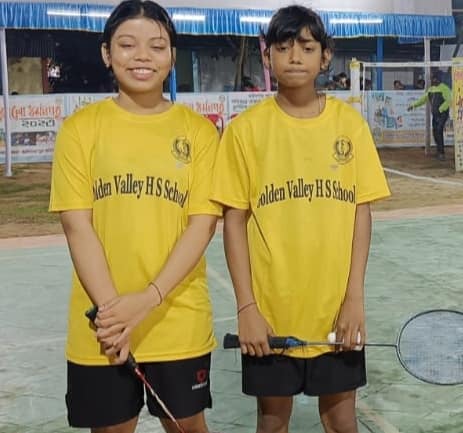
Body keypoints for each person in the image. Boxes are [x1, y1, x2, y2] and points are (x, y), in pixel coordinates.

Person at [210, 5, 390, 433]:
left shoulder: (349, 125)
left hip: (336, 314)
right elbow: (233, 222)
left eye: (307, 48)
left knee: (341, 420)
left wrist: (354, 299)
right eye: (283, 47)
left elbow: (360, 213)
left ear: (325, 57)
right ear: (267, 55)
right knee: (273, 422)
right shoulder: (245, 131)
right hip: (271, 315)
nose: (295, 57)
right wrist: (247, 308)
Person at [49, 1, 221, 432]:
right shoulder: (80, 129)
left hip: (177, 319)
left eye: (157, 47)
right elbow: (77, 225)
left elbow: (202, 225)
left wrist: (147, 300)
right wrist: (113, 316)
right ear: (107, 53)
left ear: (172, 57)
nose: (142, 56)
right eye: (127, 45)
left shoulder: (199, 132)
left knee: (188, 426)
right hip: (103, 325)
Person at [407, 73, 452, 160]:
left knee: (438, 131)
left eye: (435, 79)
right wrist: (413, 105)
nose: (433, 81)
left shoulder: (445, 88)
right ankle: (439, 151)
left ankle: (441, 153)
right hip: (435, 114)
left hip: (442, 114)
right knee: (435, 132)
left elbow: (448, 100)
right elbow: (423, 99)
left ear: (439, 80)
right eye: (432, 79)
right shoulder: (431, 89)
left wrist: (441, 109)